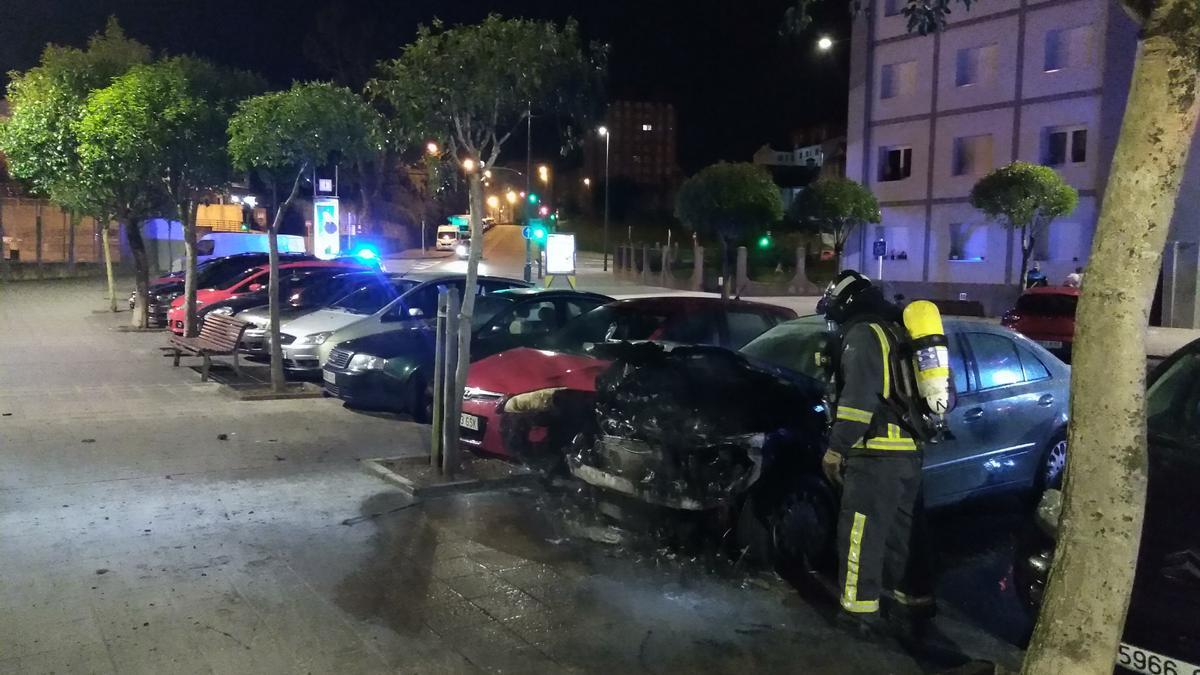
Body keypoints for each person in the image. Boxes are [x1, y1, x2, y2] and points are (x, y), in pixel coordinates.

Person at [817, 271, 935, 639]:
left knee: (860, 535)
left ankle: (858, 615)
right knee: (900, 536)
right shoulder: (895, 331)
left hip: (875, 452)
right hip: (908, 451)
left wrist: (836, 448)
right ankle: (906, 607)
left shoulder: (864, 334)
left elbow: (858, 400)